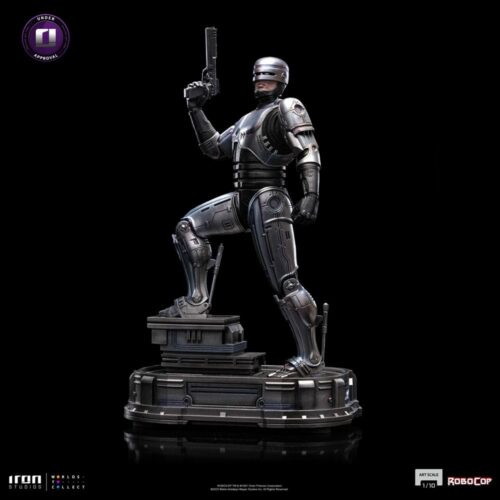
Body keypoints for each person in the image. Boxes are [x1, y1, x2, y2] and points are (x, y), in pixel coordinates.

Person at [160, 57, 323, 377]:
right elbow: (213, 148)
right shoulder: (246, 119)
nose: (260, 83)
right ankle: (197, 300)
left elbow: (309, 149)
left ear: (281, 81)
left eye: (268, 78)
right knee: (188, 227)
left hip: (269, 198)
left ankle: (311, 356)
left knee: (287, 282)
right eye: (258, 78)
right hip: (242, 200)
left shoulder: (287, 107)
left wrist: (311, 195)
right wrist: (195, 109)